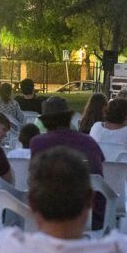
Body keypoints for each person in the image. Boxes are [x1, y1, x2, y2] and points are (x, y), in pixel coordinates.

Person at [31, 96, 107, 228]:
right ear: (68, 119)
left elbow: (35, 179)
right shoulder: (88, 141)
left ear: (44, 122)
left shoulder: (38, 143)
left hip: (52, 215)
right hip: (93, 213)